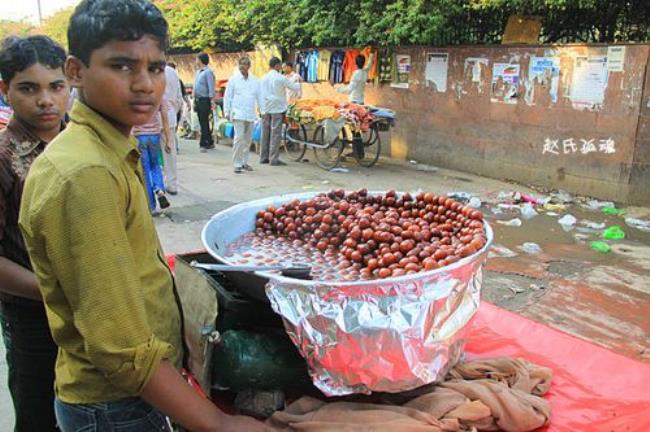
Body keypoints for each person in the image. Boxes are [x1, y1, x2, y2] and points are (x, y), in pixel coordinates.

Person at [18, 1, 269, 431]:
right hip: (116, 406)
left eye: (156, 68)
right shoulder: (86, 174)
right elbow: (120, 348)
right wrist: (218, 424)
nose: (145, 84)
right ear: (76, 71)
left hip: (130, 395)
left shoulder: (105, 151)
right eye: (122, 66)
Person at [0, 34, 68, 432]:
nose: (46, 100)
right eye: (29, 88)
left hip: (95, 313)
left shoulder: (86, 144)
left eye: (56, 87)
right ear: (5, 90)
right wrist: (53, 291)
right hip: (33, 319)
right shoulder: (5, 159)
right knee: (39, 412)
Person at [223, 56, 263, 174]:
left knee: (247, 140)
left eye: (245, 64)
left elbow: (259, 96)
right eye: (241, 64)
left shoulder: (255, 81)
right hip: (238, 113)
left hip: (250, 113)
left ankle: (244, 162)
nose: (243, 66)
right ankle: (237, 163)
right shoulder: (233, 80)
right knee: (238, 138)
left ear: (249, 66)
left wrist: (262, 110)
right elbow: (228, 96)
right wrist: (227, 111)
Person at [132, 96, 172, 212]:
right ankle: (159, 188)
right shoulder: (159, 95)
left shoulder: (135, 95)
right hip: (155, 135)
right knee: (156, 166)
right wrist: (168, 141)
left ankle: (151, 206)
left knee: (145, 170)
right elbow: (165, 119)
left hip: (139, 136)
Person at [259, 56, 300, 166]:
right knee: (275, 134)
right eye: (280, 65)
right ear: (277, 65)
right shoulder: (280, 77)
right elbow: (294, 87)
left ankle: (263, 157)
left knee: (265, 133)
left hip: (265, 108)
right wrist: (299, 81)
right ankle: (273, 159)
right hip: (277, 108)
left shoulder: (263, 78)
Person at [336, 53, 374, 159]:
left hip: (354, 102)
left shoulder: (356, 73)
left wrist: (338, 87)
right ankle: (357, 151)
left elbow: (349, 89)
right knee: (356, 128)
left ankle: (358, 152)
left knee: (354, 128)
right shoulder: (365, 72)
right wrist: (371, 55)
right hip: (361, 102)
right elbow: (369, 65)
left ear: (355, 63)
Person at [161, 64, 183, 195]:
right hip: (169, 116)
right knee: (170, 151)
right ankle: (172, 183)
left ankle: (155, 183)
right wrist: (174, 111)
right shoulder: (172, 72)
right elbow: (179, 98)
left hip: (151, 119)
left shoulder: (149, 69)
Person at [194, 52, 215, 152]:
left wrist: (212, 100)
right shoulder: (198, 72)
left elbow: (211, 87)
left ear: (201, 60)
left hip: (205, 99)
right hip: (198, 99)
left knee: (204, 121)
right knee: (202, 121)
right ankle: (210, 141)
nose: (196, 61)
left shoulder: (208, 72)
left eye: (197, 59)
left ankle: (204, 143)